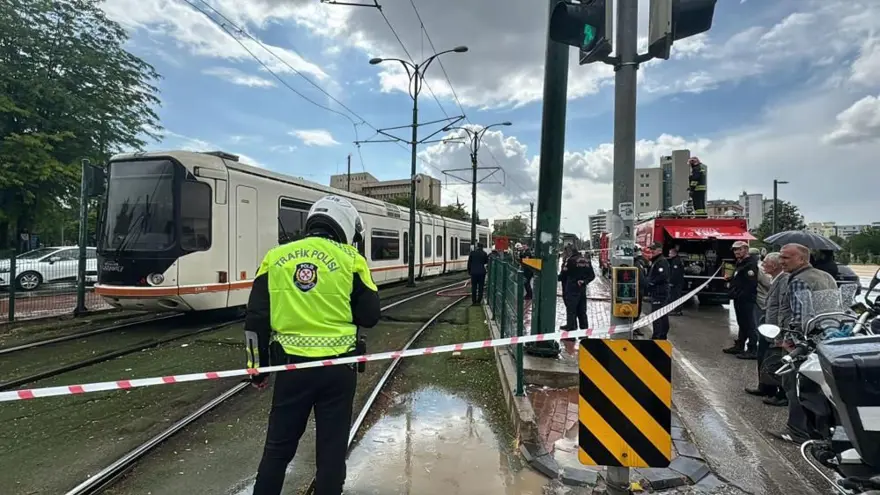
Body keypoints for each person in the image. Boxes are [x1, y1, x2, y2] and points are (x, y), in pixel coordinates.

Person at [246, 195, 381, 495]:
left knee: (278, 450)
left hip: (292, 369)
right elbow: (370, 316)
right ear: (345, 225)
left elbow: (255, 320)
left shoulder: (275, 258)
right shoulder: (351, 260)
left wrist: (258, 368)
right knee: (331, 454)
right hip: (338, 371)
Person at [767, 243, 839, 444]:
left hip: (802, 345)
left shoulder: (798, 280)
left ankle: (797, 431)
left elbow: (799, 317)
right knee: (817, 389)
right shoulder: (826, 276)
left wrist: (789, 342)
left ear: (802, 259)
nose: (781, 261)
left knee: (794, 386)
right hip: (825, 341)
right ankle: (818, 429)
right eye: (780, 257)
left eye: (786, 258)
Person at [745, 252, 789, 405]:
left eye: (766, 263)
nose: (763, 265)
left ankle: (779, 392)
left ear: (775, 265)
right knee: (763, 355)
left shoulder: (783, 279)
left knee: (775, 359)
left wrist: (778, 331)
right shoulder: (775, 279)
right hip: (768, 325)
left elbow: (782, 306)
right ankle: (765, 387)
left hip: (776, 328)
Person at [723, 240, 760, 359]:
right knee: (742, 323)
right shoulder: (741, 263)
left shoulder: (750, 264)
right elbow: (740, 279)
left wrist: (739, 294)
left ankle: (752, 349)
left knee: (749, 324)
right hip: (739, 298)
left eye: (739, 249)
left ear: (746, 249)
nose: (736, 252)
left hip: (746, 299)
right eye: (735, 250)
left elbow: (750, 284)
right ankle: (740, 345)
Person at [559, 244, 594, 330]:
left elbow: (563, 276)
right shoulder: (586, 260)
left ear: (569, 251)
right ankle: (584, 332)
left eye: (565, 252)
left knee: (571, 311)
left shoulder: (570, 260)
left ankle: (571, 332)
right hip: (582, 289)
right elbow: (592, 275)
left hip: (571, 289)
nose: (564, 254)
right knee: (582, 311)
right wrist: (584, 282)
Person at [644, 242, 671, 339]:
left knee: (657, 315)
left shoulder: (661, 261)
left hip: (660, 292)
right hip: (657, 291)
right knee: (661, 313)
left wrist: (651, 283)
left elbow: (663, 276)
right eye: (651, 249)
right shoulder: (656, 260)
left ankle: (658, 336)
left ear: (659, 250)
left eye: (653, 249)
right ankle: (661, 335)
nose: (651, 251)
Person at [667, 246, 685, 316]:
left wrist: (671, 282)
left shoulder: (676, 261)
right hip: (679, 282)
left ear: (674, 253)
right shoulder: (678, 260)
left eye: (670, 253)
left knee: (674, 296)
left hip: (676, 283)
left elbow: (675, 273)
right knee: (676, 296)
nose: (669, 255)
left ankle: (676, 310)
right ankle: (677, 310)